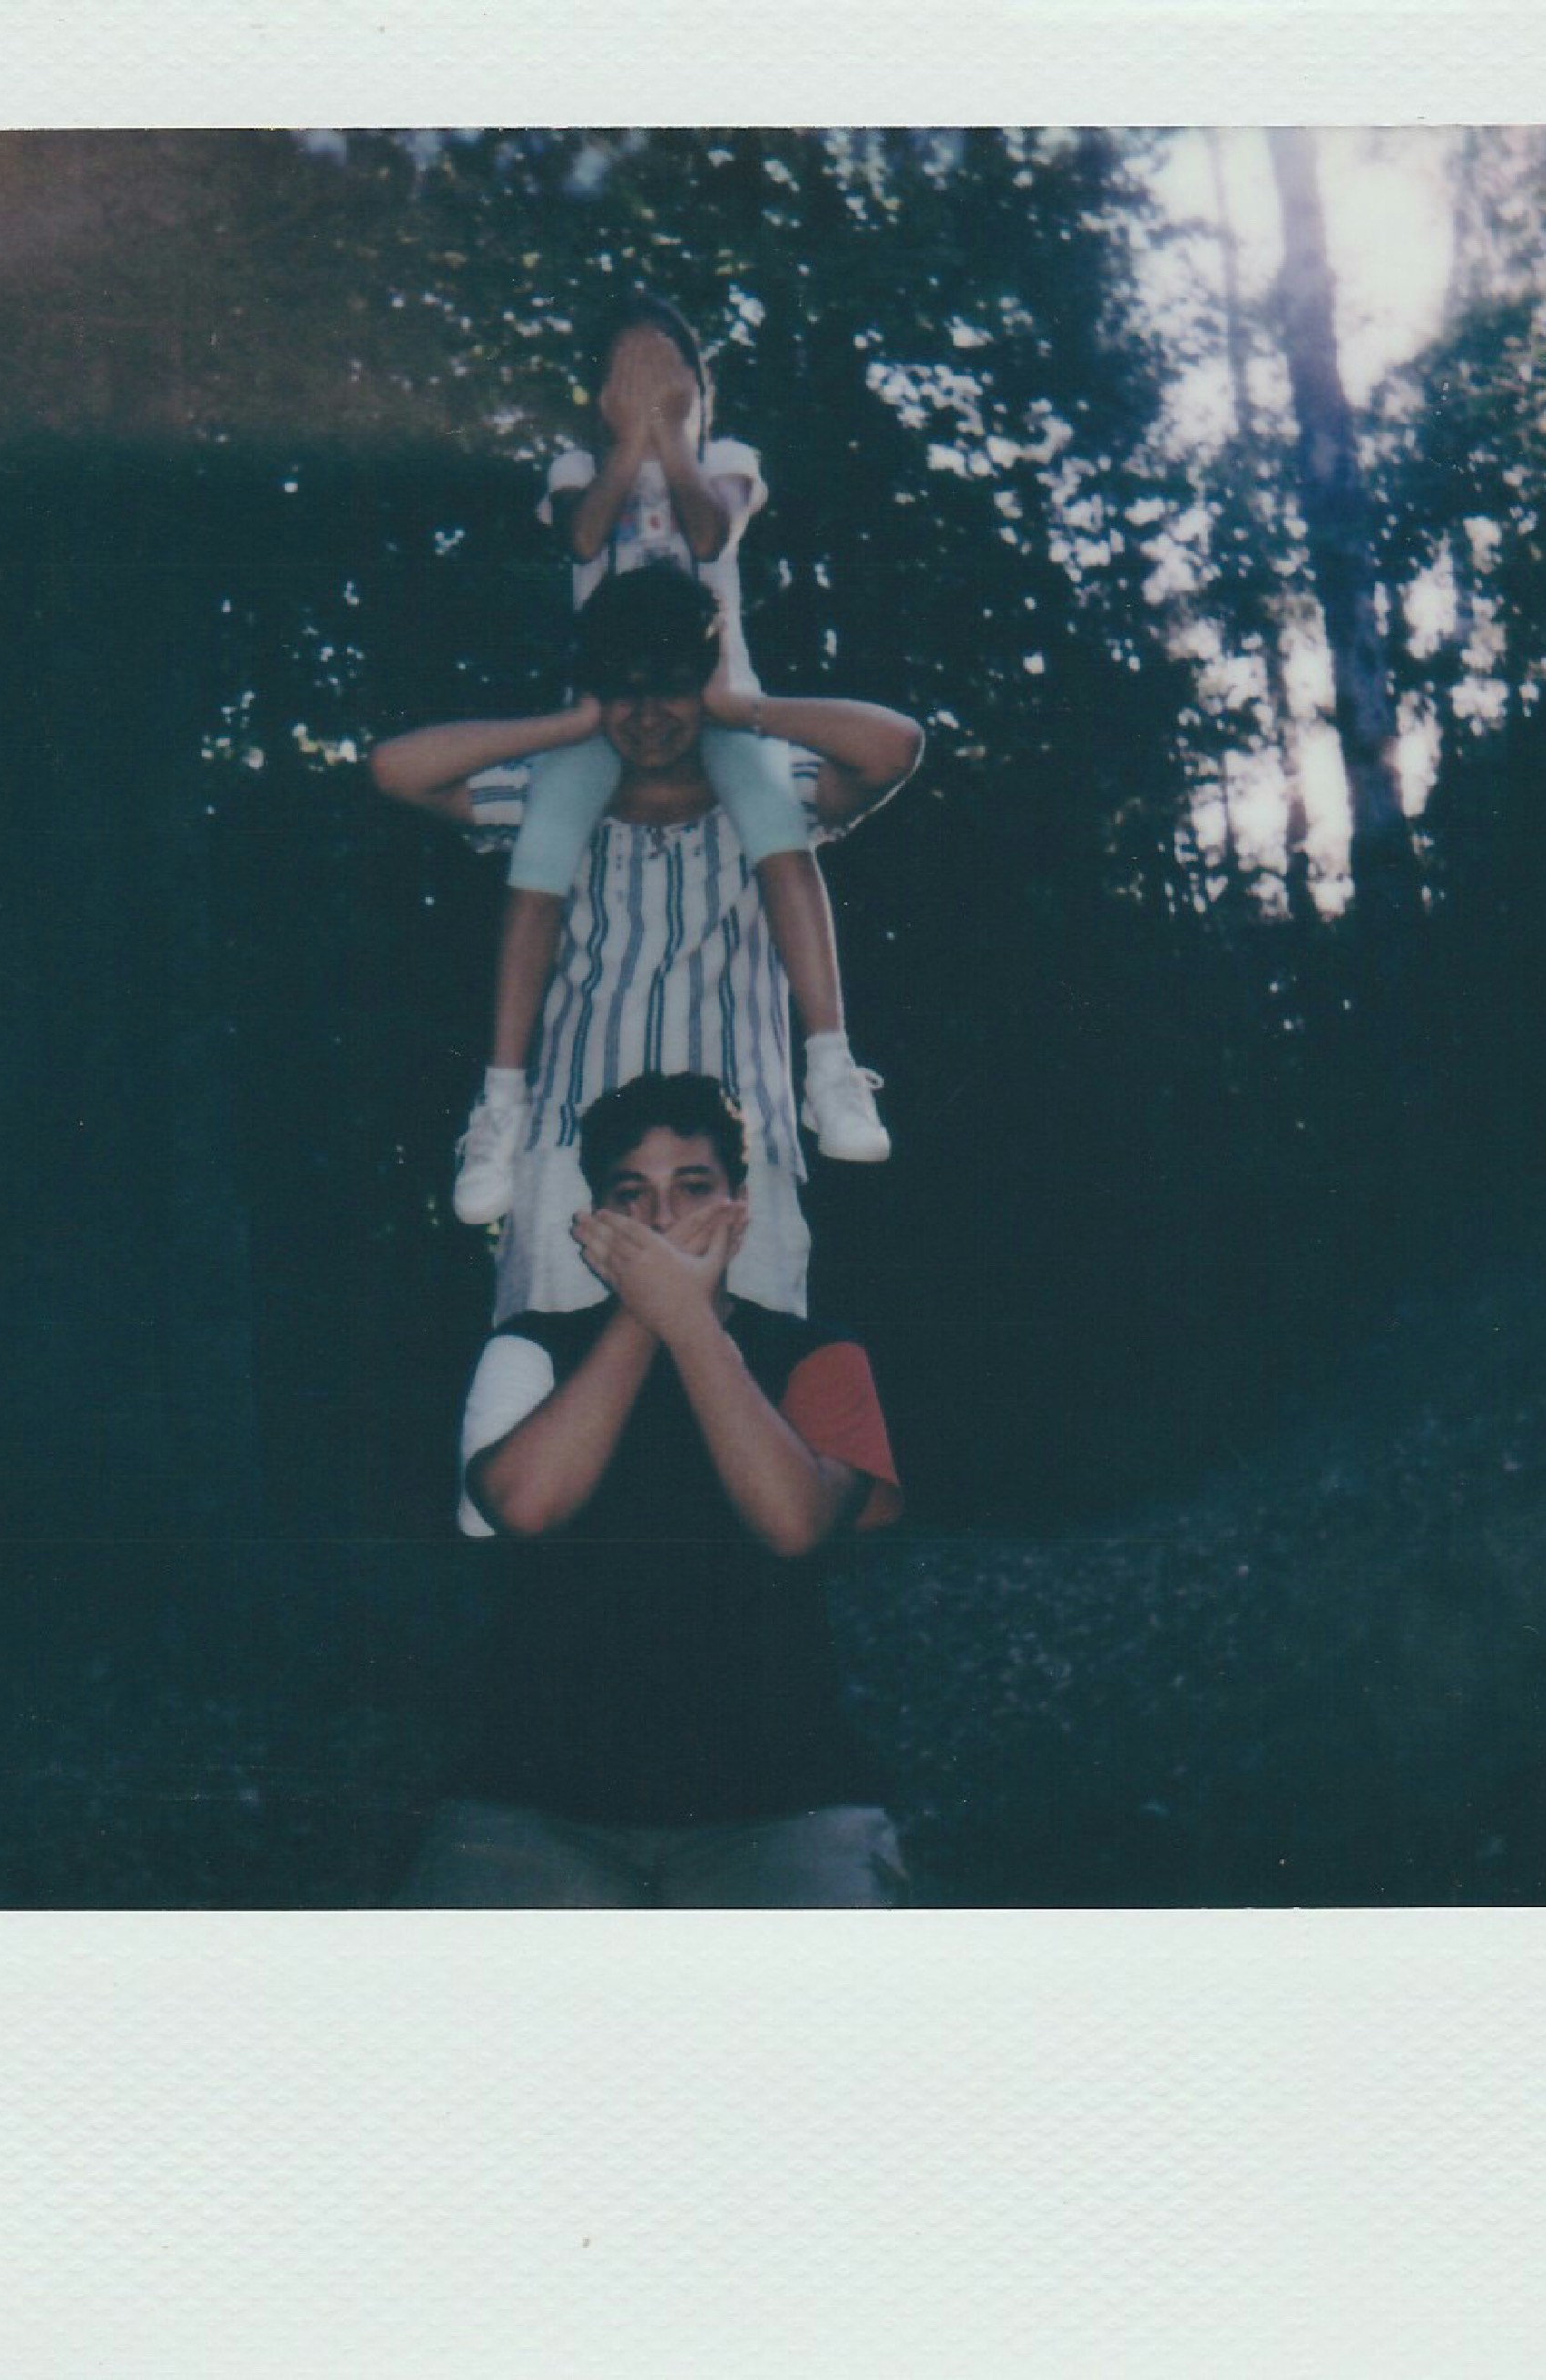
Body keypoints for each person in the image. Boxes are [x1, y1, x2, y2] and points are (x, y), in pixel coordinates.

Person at [403, 1069, 909, 1908]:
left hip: (788, 1806)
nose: (663, 1219)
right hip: (534, 1803)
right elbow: (525, 1505)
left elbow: (794, 1523)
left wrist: (685, 1318)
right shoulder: (527, 1347)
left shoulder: (822, 1355)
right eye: (631, 1194)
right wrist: (652, 1311)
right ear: (597, 1215)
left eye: (694, 1188)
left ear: (741, 1206)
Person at [370, 562, 924, 1323]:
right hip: (570, 1149)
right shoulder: (548, 796)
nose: (650, 713)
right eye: (625, 690)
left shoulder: (773, 792)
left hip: (738, 1158)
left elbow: (893, 747)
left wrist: (742, 705)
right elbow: (396, 770)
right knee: (559, 1387)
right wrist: (567, 726)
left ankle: (836, 1076)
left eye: (671, 687)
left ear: (702, 685)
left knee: (740, 1390)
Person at [453, 291, 893, 1229]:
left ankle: (830, 1066)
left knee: (780, 836)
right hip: (603, 711)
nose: (651, 392)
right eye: (630, 374)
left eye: (670, 375)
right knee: (539, 861)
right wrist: (628, 442)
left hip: (719, 703)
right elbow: (580, 535)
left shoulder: (729, 461)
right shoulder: (580, 465)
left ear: (701, 388)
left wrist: (675, 438)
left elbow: (707, 532)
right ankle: (499, 1103)